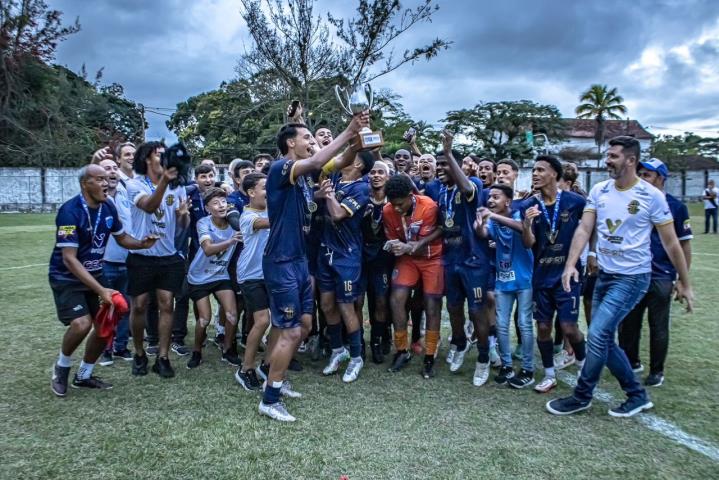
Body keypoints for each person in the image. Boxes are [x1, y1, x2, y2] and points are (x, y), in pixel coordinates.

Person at [547, 136, 694, 417]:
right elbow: (583, 229)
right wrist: (570, 265)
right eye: (608, 155)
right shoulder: (600, 190)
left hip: (633, 278)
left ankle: (582, 395)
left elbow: (672, 242)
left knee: (598, 335)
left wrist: (685, 282)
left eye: (613, 156)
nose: (607, 160)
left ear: (630, 160)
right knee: (603, 338)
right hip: (604, 274)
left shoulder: (652, 196)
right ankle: (637, 395)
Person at [259, 112, 367, 422]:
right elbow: (320, 161)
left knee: (299, 327)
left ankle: (272, 374)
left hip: (299, 261)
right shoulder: (284, 168)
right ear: (291, 143)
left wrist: (358, 141)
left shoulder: (304, 176)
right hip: (281, 261)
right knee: (292, 331)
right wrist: (347, 129)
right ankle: (270, 398)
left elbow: (341, 159)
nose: (312, 142)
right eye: (307, 137)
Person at [50, 165, 157, 396]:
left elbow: (122, 237)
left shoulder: (108, 206)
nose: (106, 183)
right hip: (67, 278)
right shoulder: (70, 211)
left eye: (107, 179)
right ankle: (62, 366)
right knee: (81, 324)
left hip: (96, 275)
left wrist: (141, 244)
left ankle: (84, 375)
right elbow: (69, 259)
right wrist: (102, 290)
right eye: (99, 180)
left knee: (104, 328)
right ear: (84, 184)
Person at [618, 158, 692, 387]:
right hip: (632, 272)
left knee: (658, 324)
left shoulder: (676, 207)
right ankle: (631, 361)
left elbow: (684, 245)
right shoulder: (631, 201)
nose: (642, 178)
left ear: (661, 178)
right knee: (628, 322)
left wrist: (682, 280)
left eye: (648, 174)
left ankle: (657, 371)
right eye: (640, 173)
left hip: (660, 275)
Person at [520, 155, 587, 394]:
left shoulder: (575, 202)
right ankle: (549, 375)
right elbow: (529, 244)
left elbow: (591, 226)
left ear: (555, 175)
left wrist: (592, 255)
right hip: (541, 276)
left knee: (569, 327)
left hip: (568, 276)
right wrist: (527, 226)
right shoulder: (530, 206)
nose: (535, 174)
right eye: (534, 170)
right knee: (543, 327)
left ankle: (582, 367)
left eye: (540, 170)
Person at [126, 141, 190, 379]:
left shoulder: (178, 187)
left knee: (166, 304)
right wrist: (165, 180)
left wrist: (184, 217)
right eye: (159, 155)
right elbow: (150, 206)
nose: (164, 158)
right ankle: (140, 352)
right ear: (146, 160)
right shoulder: (134, 184)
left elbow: (182, 224)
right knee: (140, 305)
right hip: (141, 255)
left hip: (168, 256)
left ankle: (163, 357)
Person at [437, 132, 493, 386]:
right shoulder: (438, 190)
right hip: (450, 258)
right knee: (453, 307)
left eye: (444, 164)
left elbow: (468, 188)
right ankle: (459, 344)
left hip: (473, 260)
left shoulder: (472, 184)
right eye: (438, 164)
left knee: (477, 310)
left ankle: (483, 358)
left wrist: (450, 153)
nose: (439, 168)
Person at [317, 151, 372, 382]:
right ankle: (338, 351)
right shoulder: (337, 179)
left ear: (358, 164)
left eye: (349, 155)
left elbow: (339, 214)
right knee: (327, 304)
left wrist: (328, 196)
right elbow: (320, 174)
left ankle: (357, 357)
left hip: (347, 256)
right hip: (326, 251)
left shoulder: (362, 188)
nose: (342, 157)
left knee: (346, 306)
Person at [382, 174, 443, 377]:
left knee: (432, 304)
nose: (396, 208)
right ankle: (401, 350)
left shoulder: (428, 206)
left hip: (431, 257)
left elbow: (438, 231)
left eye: (400, 204)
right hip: (408, 258)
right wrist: (394, 246)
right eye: (393, 204)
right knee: (396, 299)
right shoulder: (388, 210)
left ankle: (430, 355)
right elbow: (393, 237)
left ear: (410, 195)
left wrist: (416, 245)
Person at [474, 184, 535, 388]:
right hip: (503, 278)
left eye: (496, 197)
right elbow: (483, 234)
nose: (490, 200)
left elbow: (521, 229)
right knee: (501, 324)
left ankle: (528, 368)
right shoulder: (494, 219)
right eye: (489, 197)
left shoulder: (518, 214)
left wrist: (492, 216)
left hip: (524, 279)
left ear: (507, 201)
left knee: (524, 324)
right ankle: (507, 366)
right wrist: (480, 223)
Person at [185, 187, 242, 369]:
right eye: (215, 203)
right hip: (199, 276)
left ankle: (227, 349)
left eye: (223, 201)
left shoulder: (235, 223)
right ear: (208, 208)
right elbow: (208, 249)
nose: (221, 205)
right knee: (204, 319)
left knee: (232, 316)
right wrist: (231, 241)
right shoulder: (203, 223)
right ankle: (196, 351)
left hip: (220, 274)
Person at [234, 173, 271, 391]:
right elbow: (266, 223)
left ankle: (266, 365)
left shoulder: (270, 208)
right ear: (251, 192)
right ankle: (245, 368)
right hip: (250, 275)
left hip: (271, 274)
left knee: (279, 323)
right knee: (262, 321)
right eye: (266, 187)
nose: (270, 191)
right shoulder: (247, 216)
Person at [97, 158, 134, 366]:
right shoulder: (98, 199)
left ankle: (121, 346)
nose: (112, 172)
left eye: (114, 168)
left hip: (128, 260)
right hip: (106, 262)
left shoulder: (125, 193)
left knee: (125, 306)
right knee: (107, 307)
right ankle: (105, 348)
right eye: (106, 169)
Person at [361, 160, 393, 363]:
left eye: (381, 172)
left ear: (388, 177)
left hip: (384, 257)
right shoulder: (361, 198)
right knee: (357, 301)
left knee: (381, 300)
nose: (376, 175)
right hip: (360, 255)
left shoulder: (393, 202)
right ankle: (358, 343)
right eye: (373, 172)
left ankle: (377, 340)